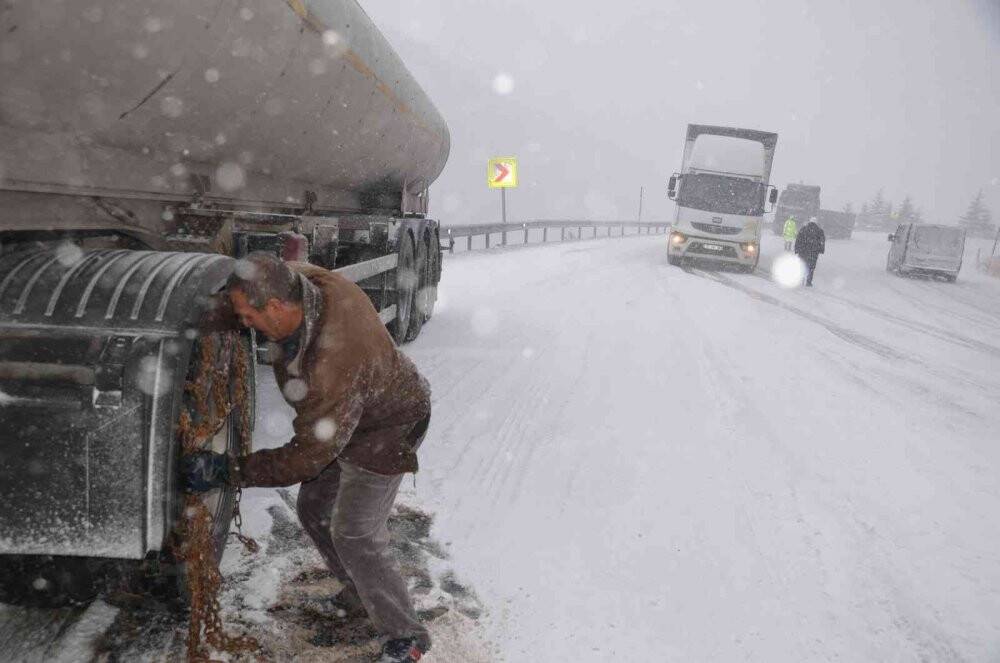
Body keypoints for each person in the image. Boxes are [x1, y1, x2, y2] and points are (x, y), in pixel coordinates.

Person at [184, 251, 432, 663]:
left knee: (354, 532)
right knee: (314, 507)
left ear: (278, 308)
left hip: (388, 426)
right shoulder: (300, 283)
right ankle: (358, 595)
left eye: (248, 317)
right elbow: (279, 268)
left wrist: (227, 470)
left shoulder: (332, 363)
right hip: (353, 408)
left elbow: (305, 459)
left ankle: (406, 637)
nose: (245, 324)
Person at [794, 217, 826, 287]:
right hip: (813, 253)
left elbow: (798, 239)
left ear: (809, 222)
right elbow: (822, 242)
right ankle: (808, 282)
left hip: (803, 252)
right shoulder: (820, 231)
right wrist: (821, 250)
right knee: (811, 267)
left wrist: (797, 249)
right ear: (816, 222)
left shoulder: (803, 229)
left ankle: (801, 279)